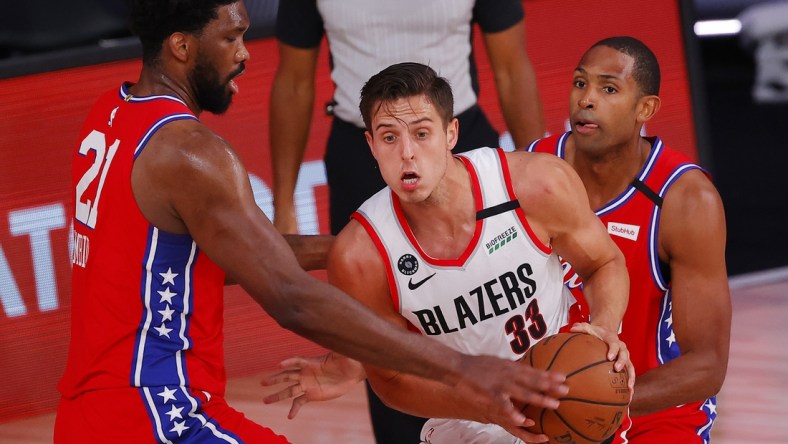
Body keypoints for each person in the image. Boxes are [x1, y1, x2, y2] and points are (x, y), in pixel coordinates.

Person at [53, 2, 571, 442]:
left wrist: (369, 248)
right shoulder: (192, 154)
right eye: (231, 37)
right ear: (182, 47)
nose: (244, 53)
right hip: (159, 412)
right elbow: (290, 296)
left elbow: (228, 256)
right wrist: (464, 368)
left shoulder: (112, 115)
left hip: (87, 409)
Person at [263, 62, 633, 444]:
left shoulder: (537, 185)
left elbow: (604, 263)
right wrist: (486, 406)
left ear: (450, 133)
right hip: (467, 418)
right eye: (389, 138)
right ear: (371, 145)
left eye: (422, 134)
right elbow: (391, 380)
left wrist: (604, 327)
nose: (407, 153)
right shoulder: (360, 255)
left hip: (569, 388)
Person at [270, 3, 544, 438]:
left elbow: (512, 67)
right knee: (381, 338)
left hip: (457, 142)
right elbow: (294, 81)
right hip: (363, 158)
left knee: (497, 309)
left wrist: (537, 170)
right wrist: (283, 203)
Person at [525, 36, 732, 443]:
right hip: (545, 404)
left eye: (608, 88)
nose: (586, 100)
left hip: (652, 413)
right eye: (580, 83)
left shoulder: (686, 200)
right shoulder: (532, 170)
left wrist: (596, 398)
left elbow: (707, 364)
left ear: (646, 109)